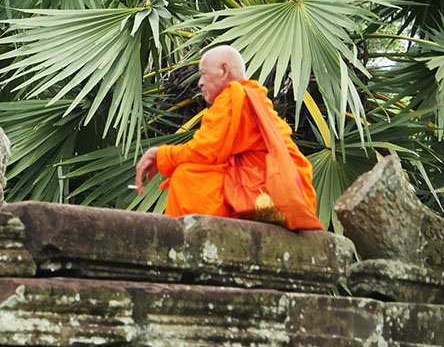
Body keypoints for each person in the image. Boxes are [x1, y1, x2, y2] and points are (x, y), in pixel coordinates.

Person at [134, 46, 319, 225]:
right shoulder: (252, 97)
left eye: (204, 74)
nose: (199, 82)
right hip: (295, 190)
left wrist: (161, 154)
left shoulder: (233, 96)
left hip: (269, 190)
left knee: (186, 177)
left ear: (224, 70)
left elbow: (204, 151)